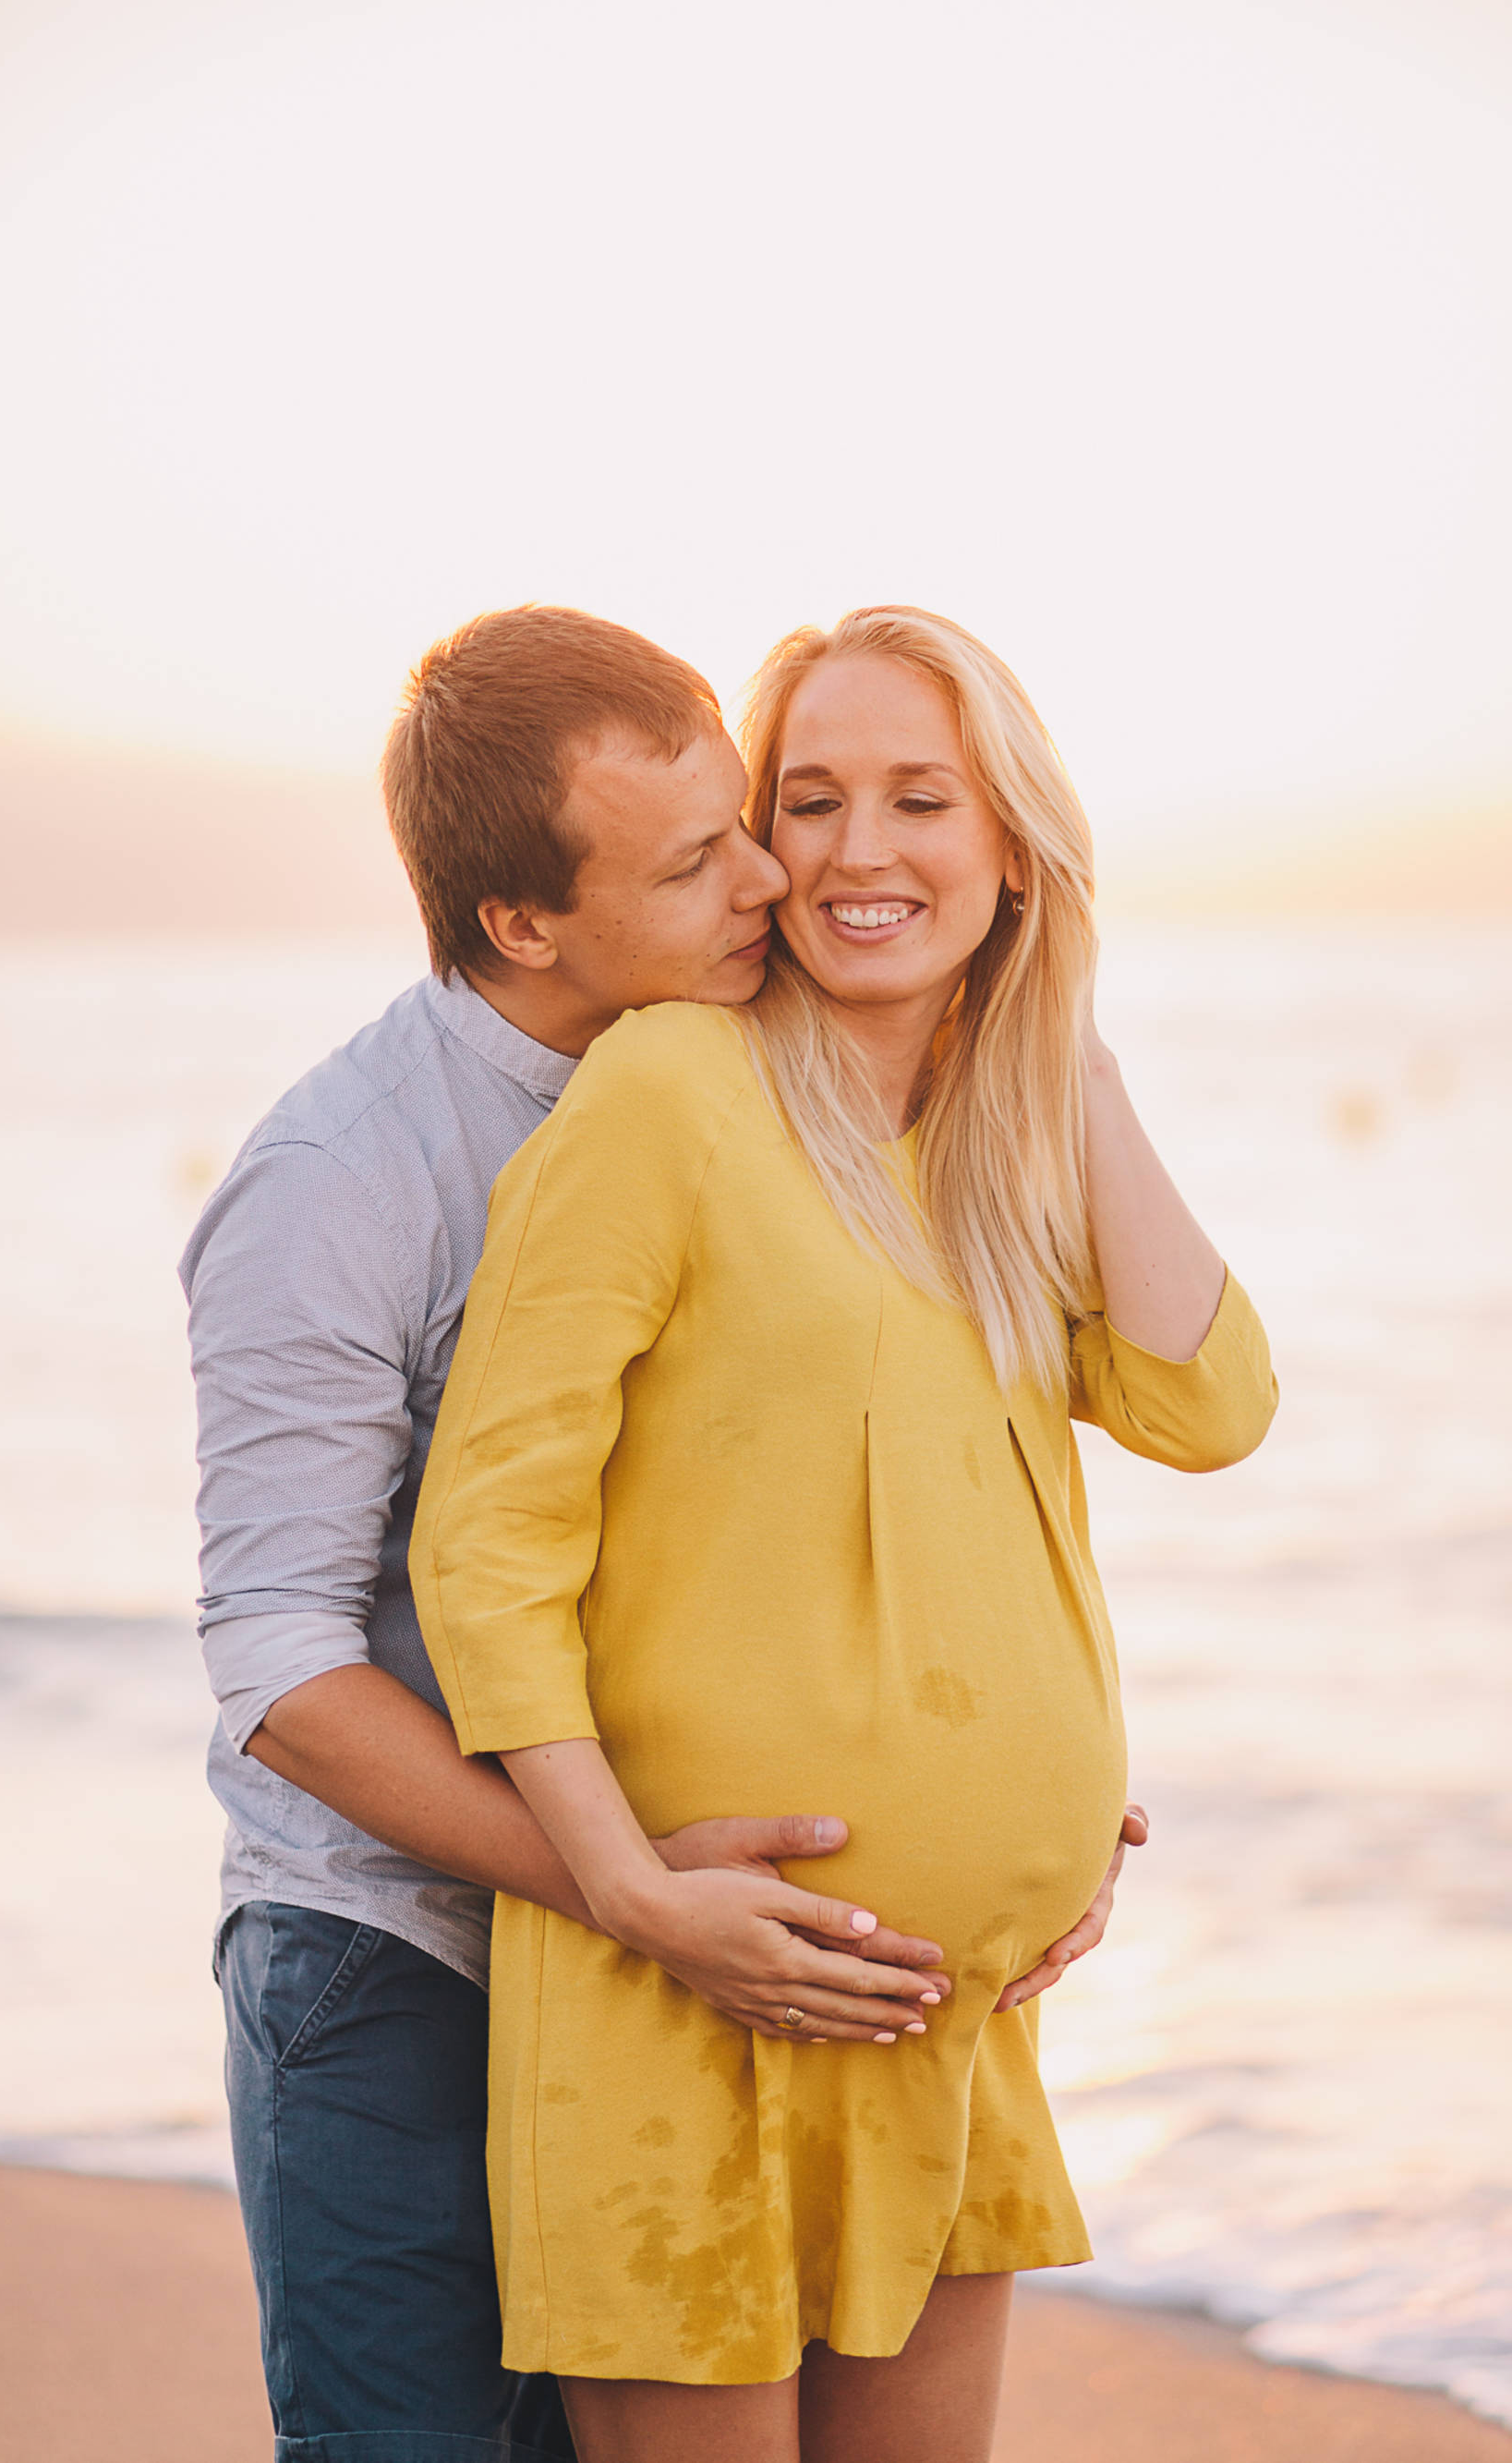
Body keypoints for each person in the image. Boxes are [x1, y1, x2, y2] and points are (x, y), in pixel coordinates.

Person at [180, 606, 1141, 2463]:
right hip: (400, 1961)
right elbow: (284, 1671)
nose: (776, 878)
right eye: (702, 857)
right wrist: (622, 1887)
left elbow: (869, 1470)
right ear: (526, 923)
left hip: (685, 1962)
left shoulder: (764, 1088)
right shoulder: (343, 1183)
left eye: (746, 819)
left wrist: (1016, 1780)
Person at [412, 606, 1276, 2463]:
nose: (860, 851)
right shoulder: (670, 1094)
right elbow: (488, 1541)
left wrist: (1078, 1047)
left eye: (921, 799)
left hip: (942, 2026)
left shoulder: (1003, 1139)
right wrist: (629, 1885)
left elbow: (1213, 1408)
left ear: (1012, 842)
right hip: (683, 2007)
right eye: (809, 800)